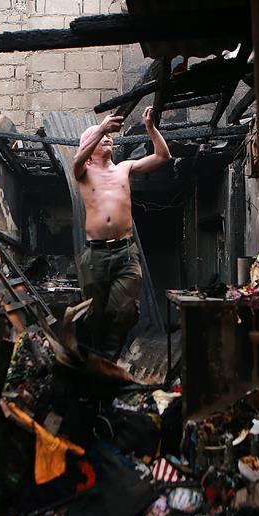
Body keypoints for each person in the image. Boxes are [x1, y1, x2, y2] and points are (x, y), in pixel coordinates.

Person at [71, 106, 172, 360]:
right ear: (89, 145)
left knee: (125, 311)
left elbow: (163, 156)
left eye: (109, 137)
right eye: (101, 137)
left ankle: (109, 361)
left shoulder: (124, 168)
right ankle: (96, 363)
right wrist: (101, 128)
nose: (108, 139)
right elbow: (76, 160)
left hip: (126, 253)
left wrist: (151, 128)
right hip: (95, 255)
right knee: (94, 315)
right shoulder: (84, 172)